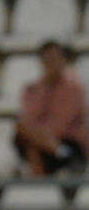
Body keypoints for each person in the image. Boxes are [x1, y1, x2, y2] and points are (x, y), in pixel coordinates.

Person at [14, 40, 88, 177]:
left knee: (31, 143)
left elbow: (62, 124)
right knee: (25, 135)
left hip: (70, 143)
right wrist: (45, 89)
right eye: (47, 59)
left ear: (63, 60)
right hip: (48, 146)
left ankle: (43, 179)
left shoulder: (75, 88)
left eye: (54, 58)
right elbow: (28, 119)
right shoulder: (33, 89)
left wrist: (38, 135)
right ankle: (59, 154)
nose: (51, 63)